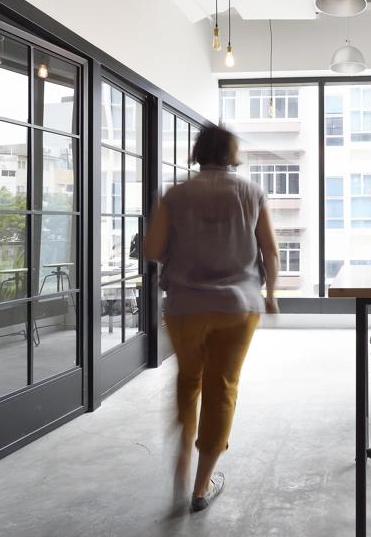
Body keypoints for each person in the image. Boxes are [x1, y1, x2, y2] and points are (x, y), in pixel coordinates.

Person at [143, 124, 278, 513]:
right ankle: (201, 487)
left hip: (185, 306)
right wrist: (271, 295)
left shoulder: (175, 194)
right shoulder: (252, 192)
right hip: (238, 306)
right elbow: (270, 251)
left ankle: (184, 453)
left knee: (189, 379)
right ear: (231, 154)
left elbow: (152, 250)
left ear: (198, 151)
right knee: (222, 387)